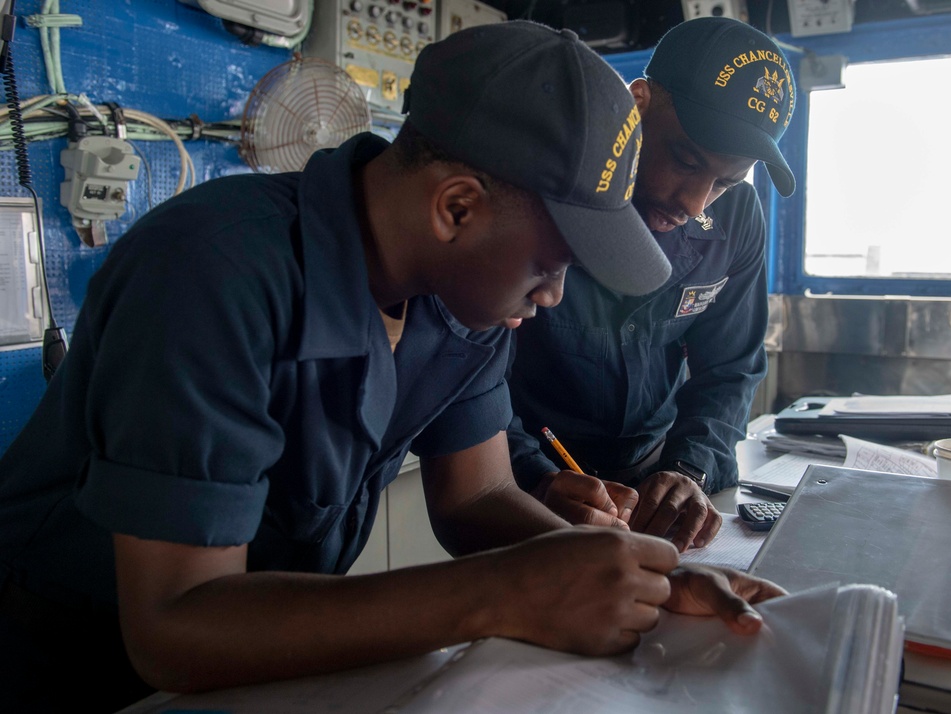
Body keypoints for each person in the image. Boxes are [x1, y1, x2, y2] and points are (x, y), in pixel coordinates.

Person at [0, 20, 785, 714]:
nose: (554, 296)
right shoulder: (212, 273)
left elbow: (478, 495)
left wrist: (628, 578)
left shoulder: (463, 301)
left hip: (258, 669)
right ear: (456, 207)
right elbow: (177, 626)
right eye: (553, 263)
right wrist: (502, 593)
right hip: (76, 672)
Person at [506, 17, 797, 553]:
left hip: (654, 474)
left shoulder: (736, 219)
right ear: (637, 102)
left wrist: (692, 469)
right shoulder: (548, 189)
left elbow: (730, 368)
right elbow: (471, 369)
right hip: (525, 474)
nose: (693, 203)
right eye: (686, 160)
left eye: (727, 181)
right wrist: (534, 475)